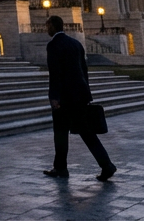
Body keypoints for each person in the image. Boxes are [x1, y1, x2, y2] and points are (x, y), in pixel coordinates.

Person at [44, 15, 117, 181]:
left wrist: (54, 97)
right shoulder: (75, 43)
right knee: (87, 132)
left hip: (64, 98)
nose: (46, 29)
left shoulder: (54, 45)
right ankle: (106, 165)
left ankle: (61, 168)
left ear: (52, 26)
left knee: (61, 133)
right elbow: (84, 70)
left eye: (47, 26)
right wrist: (86, 93)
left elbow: (55, 73)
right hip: (80, 95)